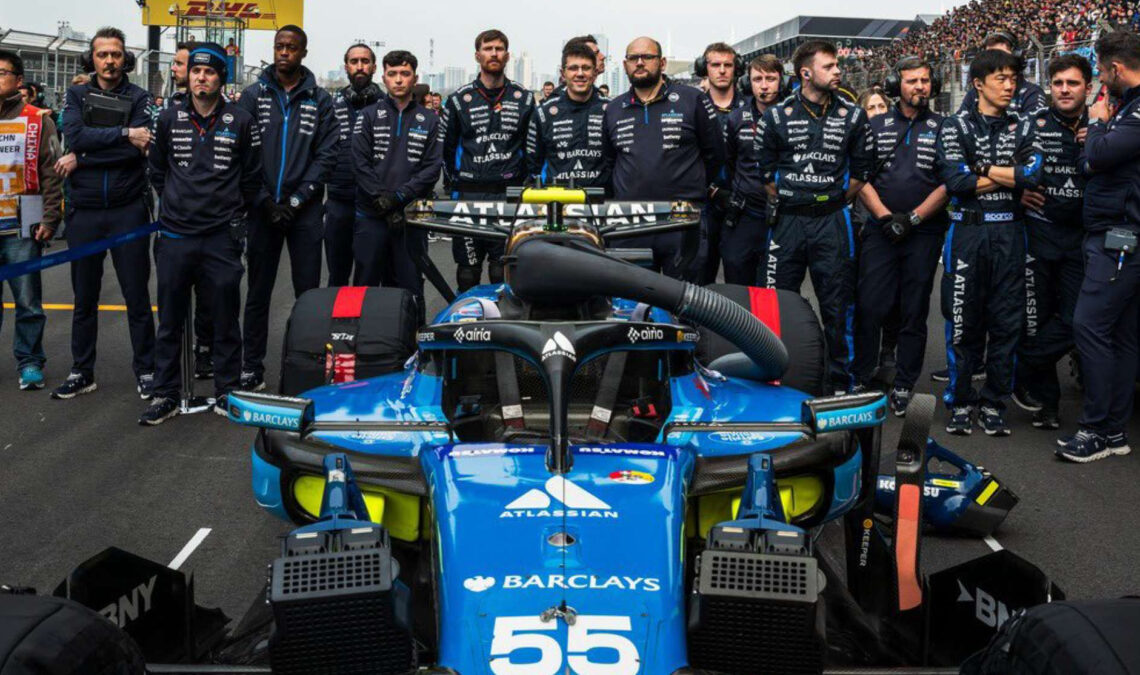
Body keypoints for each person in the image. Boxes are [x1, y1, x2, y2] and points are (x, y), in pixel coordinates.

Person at [141, 43, 260, 425]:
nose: (201, 78)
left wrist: (229, 212)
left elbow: (251, 177)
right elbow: (157, 171)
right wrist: (178, 205)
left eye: (209, 72)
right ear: (188, 75)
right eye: (195, 71)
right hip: (176, 235)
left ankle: (227, 391)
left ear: (221, 78)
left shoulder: (241, 120)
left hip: (221, 237)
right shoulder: (168, 118)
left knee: (225, 319)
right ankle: (165, 393)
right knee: (170, 321)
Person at [935, 49, 1043, 436]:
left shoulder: (1024, 124)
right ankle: (961, 400)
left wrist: (980, 167)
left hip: (1011, 233)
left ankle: (995, 401)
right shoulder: (955, 125)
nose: (1010, 85)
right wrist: (1007, 174)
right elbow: (956, 183)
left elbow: (1032, 176)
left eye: (1014, 78)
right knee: (963, 322)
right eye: (1001, 78)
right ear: (978, 83)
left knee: (1007, 322)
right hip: (967, 233)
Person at [757, 40, 872, 394]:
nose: (838, 71)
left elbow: (860, 175)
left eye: (837, 65)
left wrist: (828, 200)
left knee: (838, 306)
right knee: (776, 304)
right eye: (829, 66)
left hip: (832, 221)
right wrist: (799, 198)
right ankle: (776, 379)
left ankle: (841, 383)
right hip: (787, 221)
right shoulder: (776, 116)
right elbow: (766, 176)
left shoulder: (853, 115)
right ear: (806, 73)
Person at [54, 27, 156, 400]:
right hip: (85, 213)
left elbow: (135, 152)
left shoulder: (140, 96)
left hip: (128, 211)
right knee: (84, 298)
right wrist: (125, 133)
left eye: (115, 54)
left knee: (137, 298)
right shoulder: (76, 95)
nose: (110, 61)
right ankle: (82, 371)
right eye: (102, 54)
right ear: (92, 59)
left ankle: (147, 370)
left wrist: (82, 158)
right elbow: (76, 136)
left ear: (125, 58)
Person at [236, 25, 338, 392]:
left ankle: (307, 367)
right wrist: (263, 199)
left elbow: (327, 155)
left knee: (307, 296)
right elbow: (242, 152)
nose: (284, 52)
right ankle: (251, 367)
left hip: (304, 212)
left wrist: (296, 200)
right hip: (262, 210)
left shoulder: (320, 100)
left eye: (291, 47)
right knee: (257, 293)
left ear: (303, 53)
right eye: (279, 46)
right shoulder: (253, 95)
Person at [1060, 31, 1140, 462]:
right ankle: (1113, 433)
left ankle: (1094, 430)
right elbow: (1089, 161)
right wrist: (1098, 141)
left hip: (1120, 238)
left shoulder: (1132, 111)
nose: (1101, 82)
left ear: (1116, 68)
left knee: (1089, 327)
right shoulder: (1126, 107)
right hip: (1115, 234)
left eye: (1103, 73)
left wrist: (1097, 123)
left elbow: (1098, 156)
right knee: (1123, 336)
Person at [854, 56, 949, 416]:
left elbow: (949, 182)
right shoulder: (874, 125)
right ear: (897, 85)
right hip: (881, 230)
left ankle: (905, 382)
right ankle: (863, 375)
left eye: (925, 80)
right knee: (870, 305)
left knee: (914, 309)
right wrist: (884, 217)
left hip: (923, 231)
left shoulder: (945, 127)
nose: (920, 86)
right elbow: (861, 177)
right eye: (912, 81)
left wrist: (913, 218)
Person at [602, 36, 725, 279]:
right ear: (625, 65)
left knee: (687, 298)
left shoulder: (692, 99)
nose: (640, 62)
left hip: (683, 218)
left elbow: (715, 154)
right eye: (633, 58)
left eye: (647, 57)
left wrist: (690, 187)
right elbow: (609, 162)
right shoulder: (614, 108)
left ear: (662, 62)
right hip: (630, 221)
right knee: (631, 298)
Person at [1013, 54, 1091, 431]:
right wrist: (1019, 192)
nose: (1064, 89)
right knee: (1036, 320)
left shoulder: (1104, 124)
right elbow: (1004, 166)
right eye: (1058, 83)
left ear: (1087, 88)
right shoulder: (1030, 124)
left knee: (1079, 321)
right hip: (1038, 236)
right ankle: (1047, 405)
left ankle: (1025, 363)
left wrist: (1099, 139)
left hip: (1083, 240)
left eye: (1072, 83)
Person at [439, 29, 535, 292]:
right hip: (468, 196)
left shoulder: (524, 98)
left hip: (509, 197)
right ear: (477, 55)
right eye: (488, 48)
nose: (494, 53)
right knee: (467, 271)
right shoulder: (459, 100)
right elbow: (445, 149)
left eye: (499, 49)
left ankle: (504, 318)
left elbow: (533, 149)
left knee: (501, 270)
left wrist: (525, 185)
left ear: (507, 55)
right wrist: (456, 183)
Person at [352, 49, 441, 309]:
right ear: (383, 78)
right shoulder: (368, 115)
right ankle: (361, 335)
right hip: (371, 214)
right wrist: (381, 199)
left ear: (415, 78)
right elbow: (359, 163)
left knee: (411, 286)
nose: (399, 79)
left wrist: (398, 197)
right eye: (392, 74)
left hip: (412, 216)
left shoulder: (430, 120)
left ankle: (415, 336)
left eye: (405, 73)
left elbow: (432, 168)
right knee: (365, 285)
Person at [0, 49, 62, 391]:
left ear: (18, 80)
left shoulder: (38, 119)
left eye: (1, 73)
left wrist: (49, 217)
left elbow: (52, 172)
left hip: (22, 222)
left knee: (27, 301)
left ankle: (30, 361)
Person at [721, 54, 783, 284]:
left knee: (776, 286)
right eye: (758, 79)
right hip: (745, 214)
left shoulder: (795, 115)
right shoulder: (736, 118)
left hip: (784, 216)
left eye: (770, 78)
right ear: (748, 83)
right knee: (737, 278)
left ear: (782, 81)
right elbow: (729, 163)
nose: (764, 86)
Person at [327, 43, 384, 286]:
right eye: (354, 61)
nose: (360, 66)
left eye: (365, 61)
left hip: (374, 204)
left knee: (368, 278)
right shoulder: (331, 104)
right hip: (339, 200)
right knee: (337, 277)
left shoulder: (386, 104)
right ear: (346, 67)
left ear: (374, 67)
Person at [526, 41, 609, 188]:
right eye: (573, 68)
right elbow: (533, 165)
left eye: (586, 68)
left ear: (595, 72)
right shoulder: (544, 113)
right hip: (557, 197)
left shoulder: (610, 109)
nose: (580, 73)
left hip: (602, 198)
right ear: (563, 73)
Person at [698, 42, 746, 284]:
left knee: (741, 281)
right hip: (704, 207)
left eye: (728, 65)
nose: (722, 70)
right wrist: (712, 191)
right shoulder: (693, 106)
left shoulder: (750, 107)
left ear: (737, 68)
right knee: (701, 282)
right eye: (715, 64)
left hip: (743, 207)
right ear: (704, 68)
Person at [958, 32, 1047, 116]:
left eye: (1001, 56)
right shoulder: (975, 93)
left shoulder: (1031, 93)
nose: (995, 61)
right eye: (990, 56)